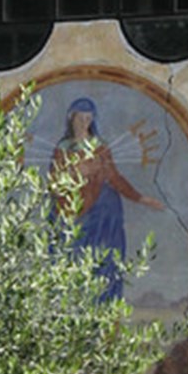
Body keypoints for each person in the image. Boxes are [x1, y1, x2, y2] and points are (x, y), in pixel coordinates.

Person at [48, 96, 162, 298]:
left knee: (101, 261)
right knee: (70, 258)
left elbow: (114, 178)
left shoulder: (99, 147)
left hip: (99, 214)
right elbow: (54, 183)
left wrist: (140, 198)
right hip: (69, 212)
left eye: (88, 119)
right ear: (71, 119)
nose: (84, 123)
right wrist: (74, 173)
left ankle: (101, 303)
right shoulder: (62, 148)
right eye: (80, 118)